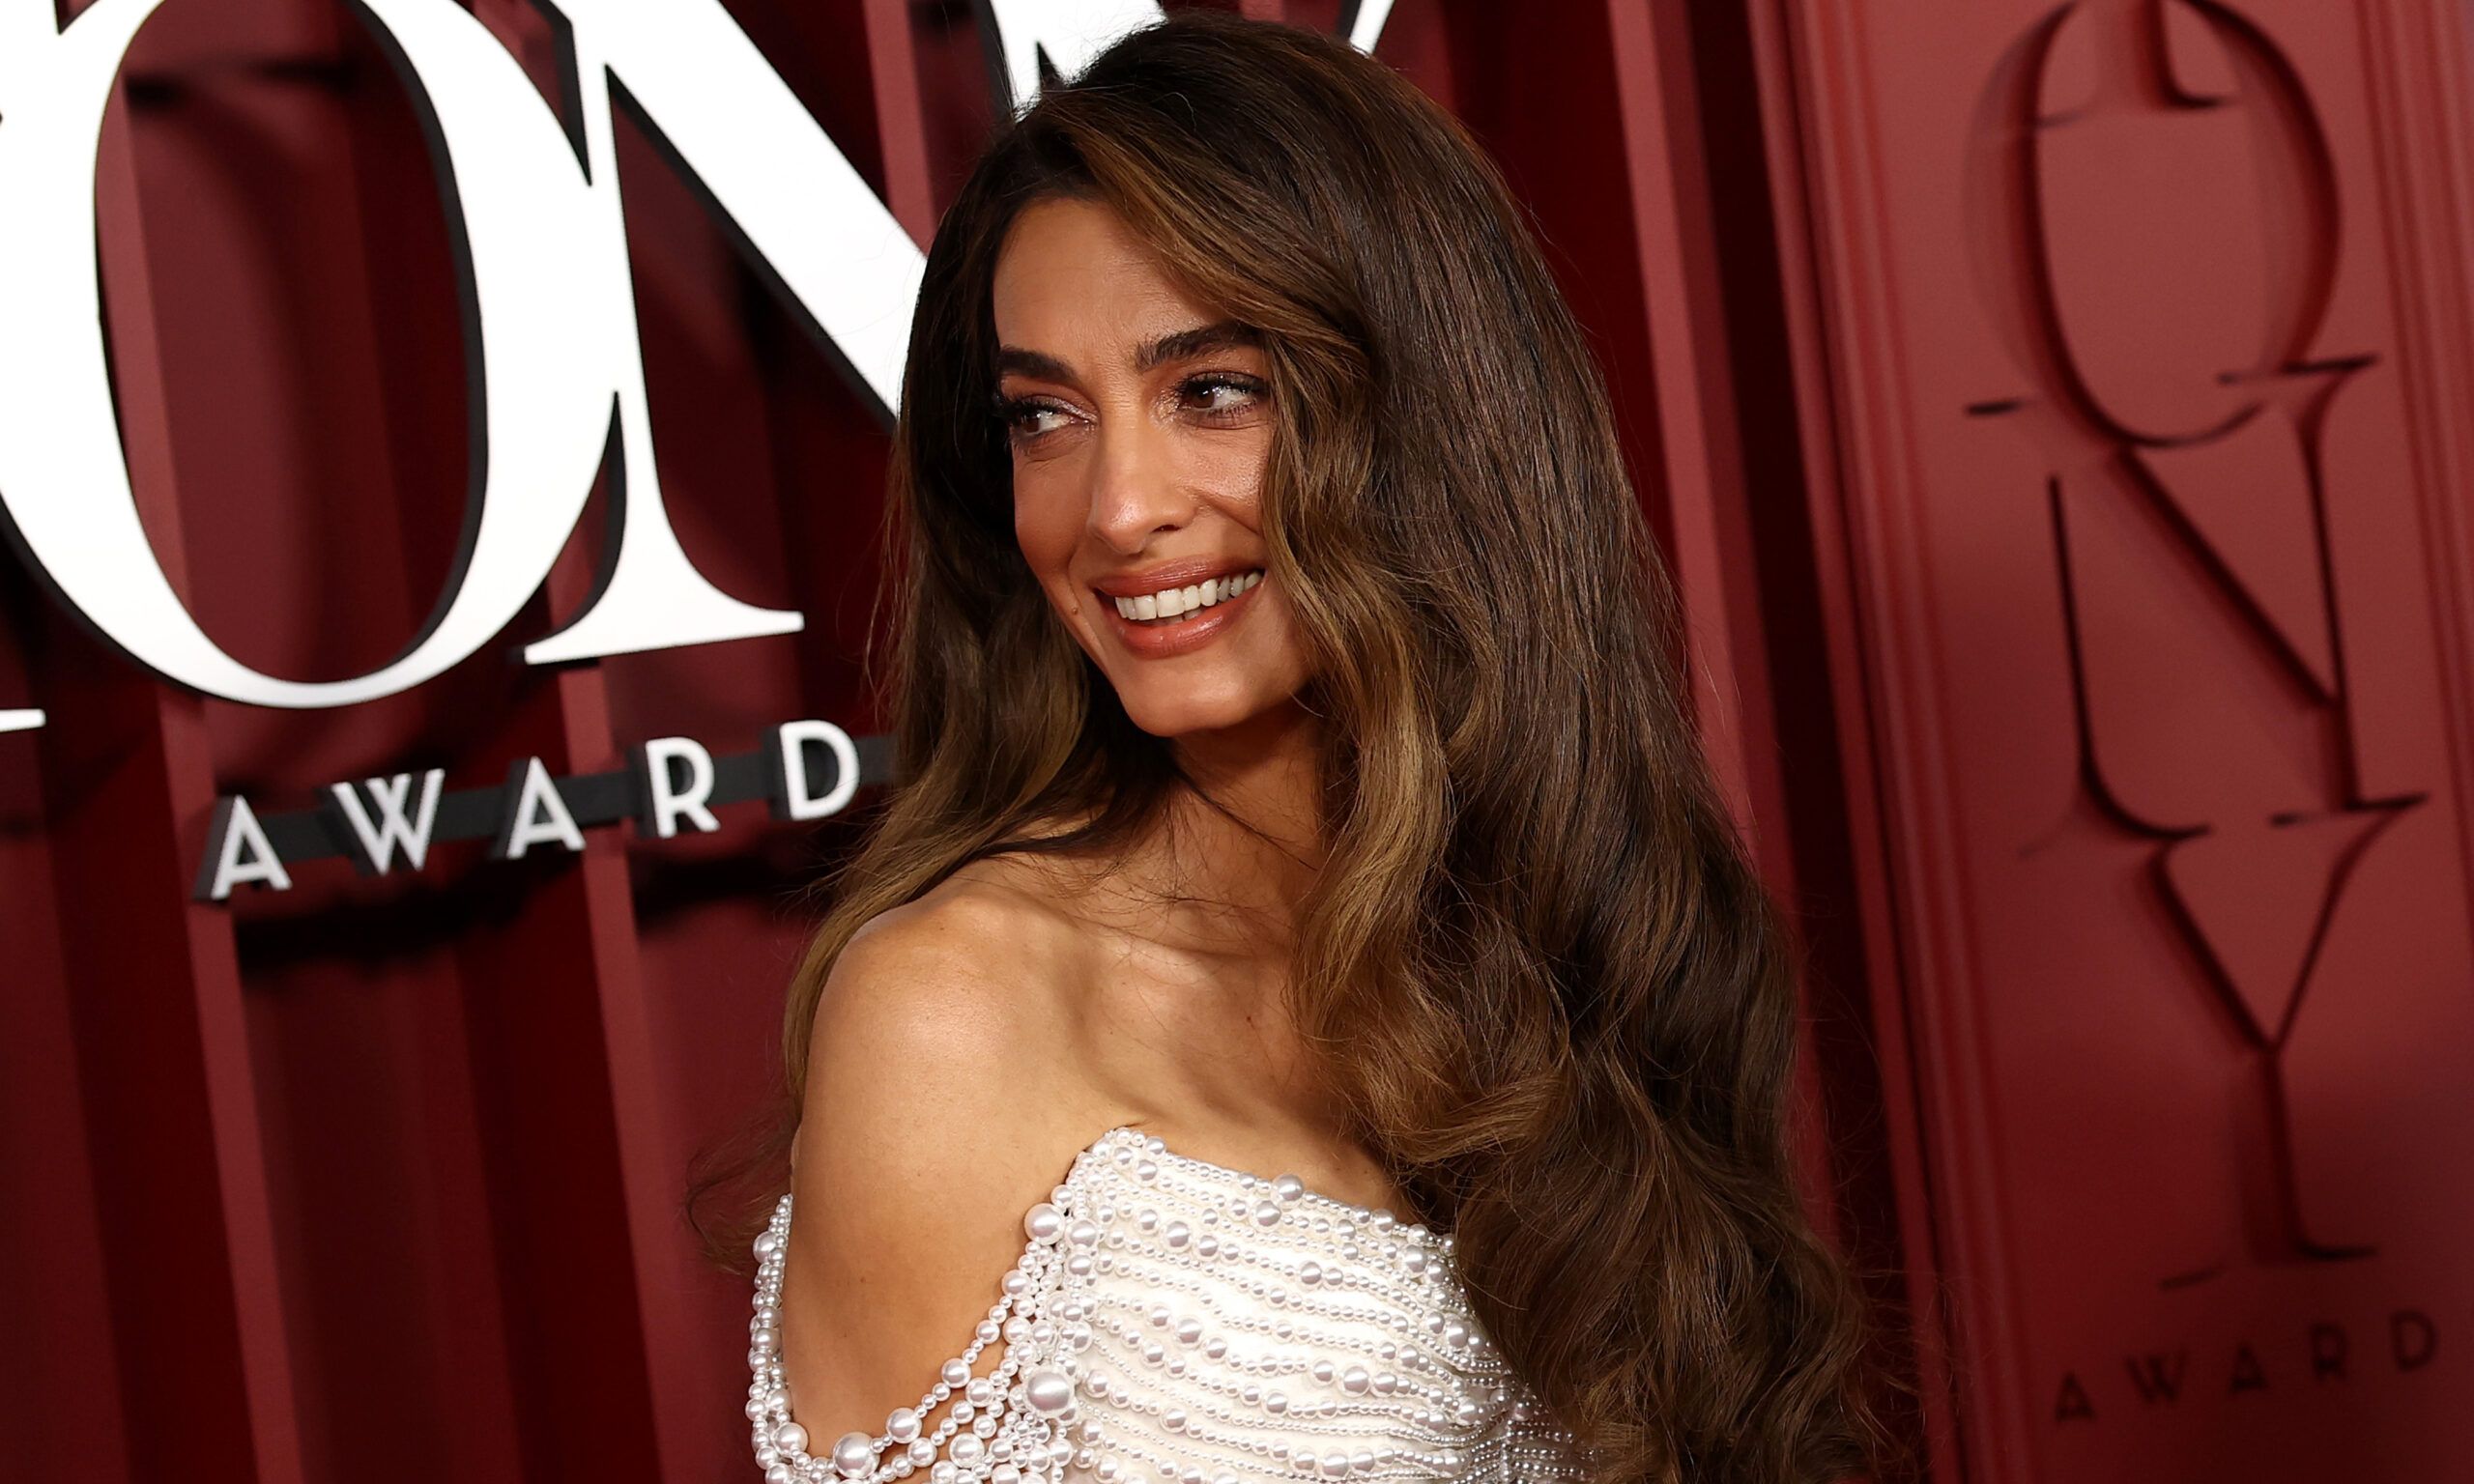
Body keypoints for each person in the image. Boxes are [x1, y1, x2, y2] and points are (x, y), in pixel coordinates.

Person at [718, 13, 1888, 1483]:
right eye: (1043, 417)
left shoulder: (1595, 946)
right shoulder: (952, 1009)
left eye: (1213, 390)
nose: (1116, 507)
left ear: (1426, 413)